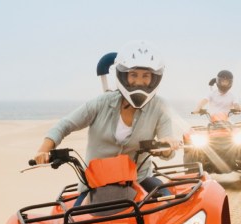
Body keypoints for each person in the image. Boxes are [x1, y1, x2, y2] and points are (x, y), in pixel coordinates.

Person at [33, 40, 181, 203]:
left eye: (146, 76)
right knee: (74, 220)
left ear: (154, 78)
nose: (139, 81)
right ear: (123, 75)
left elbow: (167, 146)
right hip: (95, 183)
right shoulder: (101, 103)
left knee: (170, 203)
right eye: (133, 75)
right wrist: (43, 150)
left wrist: (167, 146)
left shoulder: (159, 106)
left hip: (139, 179)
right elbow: (65, 124)